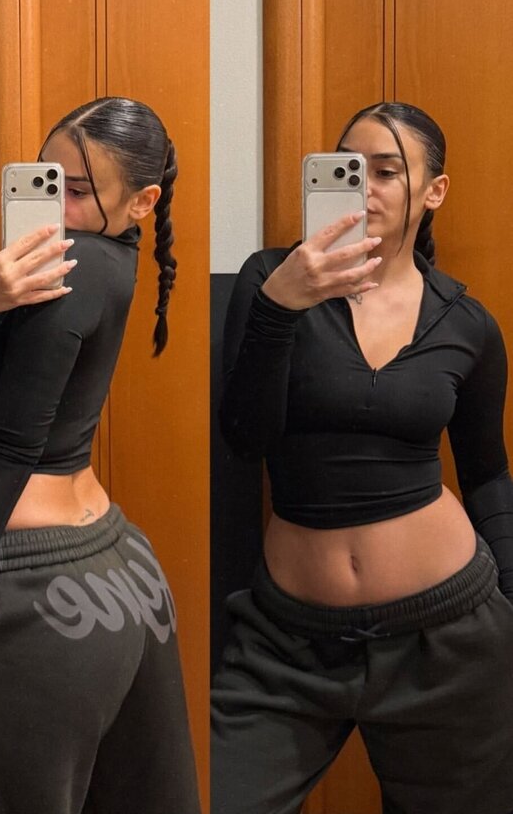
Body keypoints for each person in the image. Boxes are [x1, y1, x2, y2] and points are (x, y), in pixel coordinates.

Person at [211, 101, 513, 814]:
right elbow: (245, 440)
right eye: (349, 167)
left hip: (449, 636)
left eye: (386, 171)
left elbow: (487, 475)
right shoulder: (270, 278)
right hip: (288, 641)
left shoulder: (465, 323)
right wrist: (280, 309)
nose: (365, 188)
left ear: (433, 191)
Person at [0, 96, 201, 814]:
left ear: (142, 202)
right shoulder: (112, 257)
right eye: (47, 182)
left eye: (77, 191)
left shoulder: (71, 269)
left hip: (38, 581)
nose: (57, 208)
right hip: (120, 563)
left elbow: (11, 440)